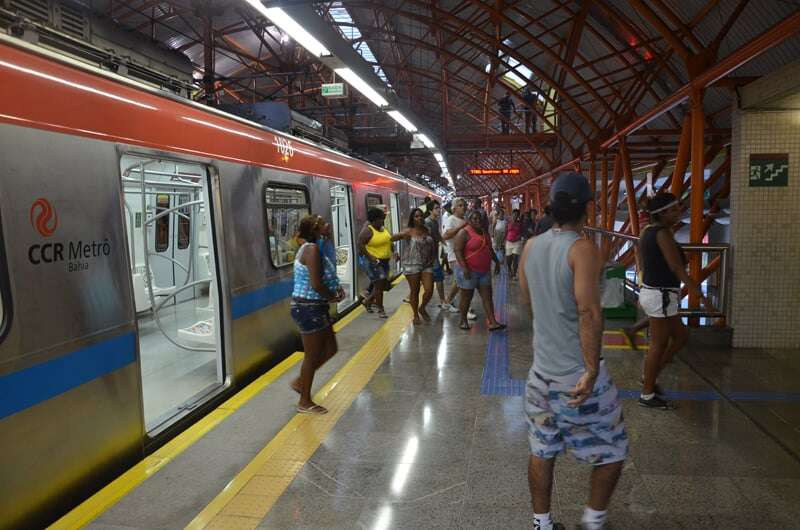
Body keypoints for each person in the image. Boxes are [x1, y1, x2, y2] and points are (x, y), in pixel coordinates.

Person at [519, 172, 628, 530]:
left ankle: (542, 523)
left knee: (542, 450)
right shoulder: (582, 249)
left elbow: (527, 301)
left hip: (539, 377)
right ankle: (592, 523)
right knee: (612, 452)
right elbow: (589, 312)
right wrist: (591, 370)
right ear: (586, 208)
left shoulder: (531, 247)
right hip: (576, 378)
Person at [638, 193, 711, 410]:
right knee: (658, 345)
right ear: (661, 214)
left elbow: (645, 262)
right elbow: (676, 267)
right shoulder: (662, 234)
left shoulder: (649, 232)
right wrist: (699, 294)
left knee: (681, 336)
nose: (678, 212)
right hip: (661, 294)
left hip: (656, 292)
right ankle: (647, 394)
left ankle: (651, 376)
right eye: (673, 210)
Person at [289, 215, 344, 415]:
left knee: (331, 348)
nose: (327, 224)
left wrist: (335, 290)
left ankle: (300, 382)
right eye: (322, 223)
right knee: (312, 356)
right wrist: (332, 297)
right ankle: (304, 401)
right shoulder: (311, 250)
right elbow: (316, 284)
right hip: (308, 308)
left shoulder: (314, 248)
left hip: (315, 306)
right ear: (315, 230)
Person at [453, 210, 505, 331]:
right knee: (467, 297)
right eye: (474, 219)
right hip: (468, 271)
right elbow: (457, 250)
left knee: (487, 297)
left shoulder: (484, 232)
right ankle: (463, 320)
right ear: (469, 220)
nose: (477, 221)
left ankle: (492, 321)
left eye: (479, 219)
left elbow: (490, 249)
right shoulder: (464, 232)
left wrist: (496, 262)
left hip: (484, 271)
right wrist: (465, 268)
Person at [396, 208, 435, 324]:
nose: (419, 218)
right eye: (417, 216)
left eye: (421, 216)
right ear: (412, 219)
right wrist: (394, 251)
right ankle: (415, 315)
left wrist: (434, 257)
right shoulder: (408, 231)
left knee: (429, 289)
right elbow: (392, 238)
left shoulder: (427, 230)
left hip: (427, 263)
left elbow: (433, 244)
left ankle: (422, 307)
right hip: (411, 264)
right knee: (415, 291)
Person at [441, 198, 476, 320]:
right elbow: (445, 236)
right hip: (454, 255)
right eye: (460, 205)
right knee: (464, 282)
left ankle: (447, 301)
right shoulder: (451, 220)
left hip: (465, 255)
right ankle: (466, 309)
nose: (463, 207)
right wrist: (462, 226)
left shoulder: (464, 220)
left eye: (464, 205)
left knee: (458, 282)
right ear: (454, 208)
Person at [359, 207, 393, 318]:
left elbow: (389, 240)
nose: (382, 221)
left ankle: (367, 301)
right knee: (380, 285)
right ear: (373, 220)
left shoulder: (383, 228)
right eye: (380, 219)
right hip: (374, 262)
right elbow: (360, 244)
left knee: (381, 284)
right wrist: (369, 257)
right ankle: (380, 310)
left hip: (385, 261)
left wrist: (395, 251)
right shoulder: (368, 230)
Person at [424, 201, 450, 310]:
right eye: (436, 208)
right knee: (438, 278)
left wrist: (445, 244)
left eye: (438, 208)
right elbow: (426, 240)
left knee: (436, 279)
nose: (439, 210)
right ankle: (442, 301)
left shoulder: (434, 221)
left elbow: (437, 235)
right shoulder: (428, 222)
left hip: (434, 256)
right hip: (430, 257)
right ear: (430, 210)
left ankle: (442, 300)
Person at [505, 209, 524, 280]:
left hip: (517, 243)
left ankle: (514, 273)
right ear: (512, 214)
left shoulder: (520, 223)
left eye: (517, 214)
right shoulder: (508, 222)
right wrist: (503, 242)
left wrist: (520, 235)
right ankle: (510, 269)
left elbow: (522, 232)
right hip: (508, 243)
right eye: (514, 214)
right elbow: (505, 231)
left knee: (515, 258)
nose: (515, 216)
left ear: (518, 215)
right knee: (508, 260)